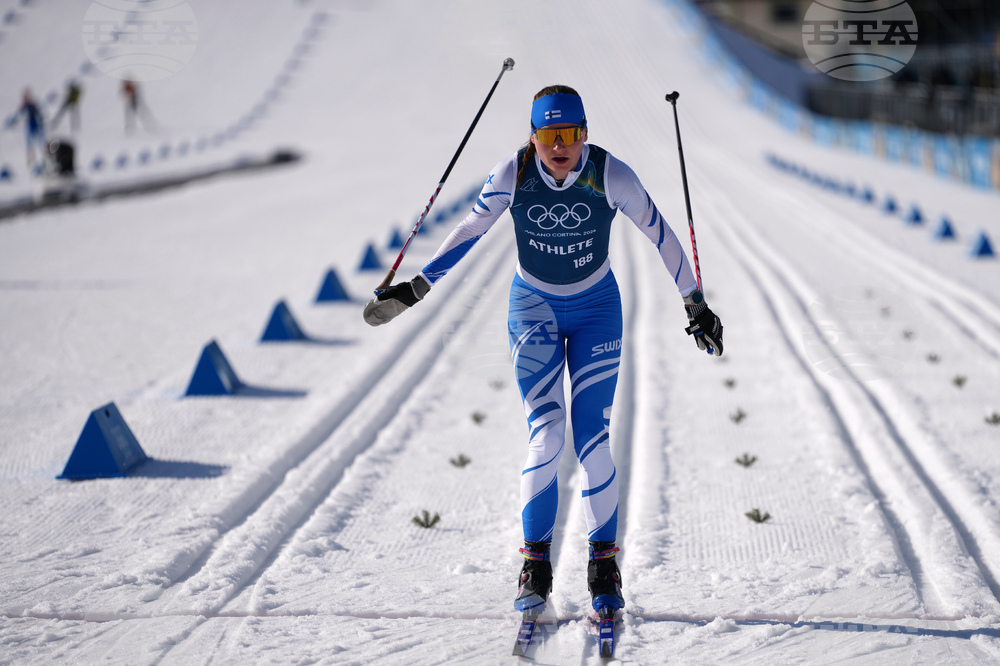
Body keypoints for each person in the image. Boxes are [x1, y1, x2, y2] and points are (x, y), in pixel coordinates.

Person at [363, 85, 723, 617]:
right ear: (532, 137)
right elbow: (470, 228)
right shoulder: (513, 173)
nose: (560, 147)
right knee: (548, 431)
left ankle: (603, 564)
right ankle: (536, 563)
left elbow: (661, 233)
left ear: (584, 135)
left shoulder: (610, 174)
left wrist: (694, 302)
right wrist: (417, 286)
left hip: (597, 309)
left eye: (570, 135)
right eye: (549, 135)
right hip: (533, 308)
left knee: (593, 437)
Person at [14, 88, 47, 166]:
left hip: (36, 126)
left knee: (41, 141)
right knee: (29, 143)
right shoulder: (24, 106)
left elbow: (39, 113)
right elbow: (19, 115)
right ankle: (31, 160)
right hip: (30, 127)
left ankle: (44, 158)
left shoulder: (32, 105)